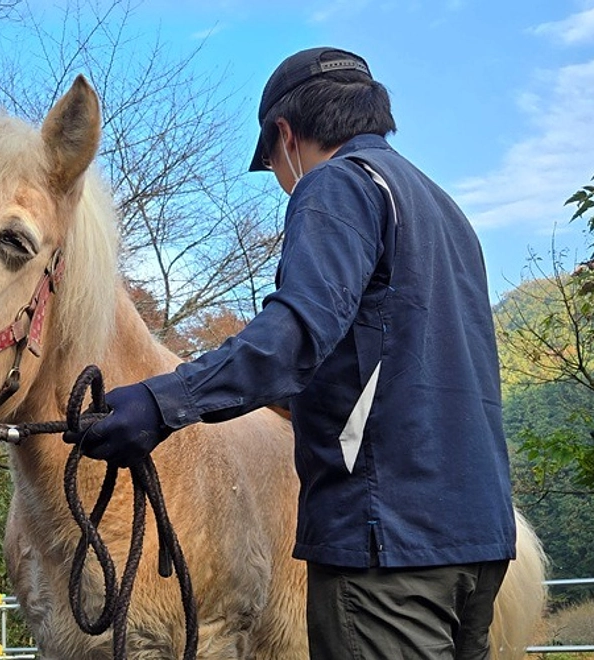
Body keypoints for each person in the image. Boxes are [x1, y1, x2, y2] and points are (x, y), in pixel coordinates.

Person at [65, 47, 517, 659]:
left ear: (285, 136)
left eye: (272, 163)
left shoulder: (338, 183)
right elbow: (380, 357)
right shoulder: (442, 210)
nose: (281, 179)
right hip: (477, 537)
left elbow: (296, 334)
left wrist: (159, 400)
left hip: (386, 544)